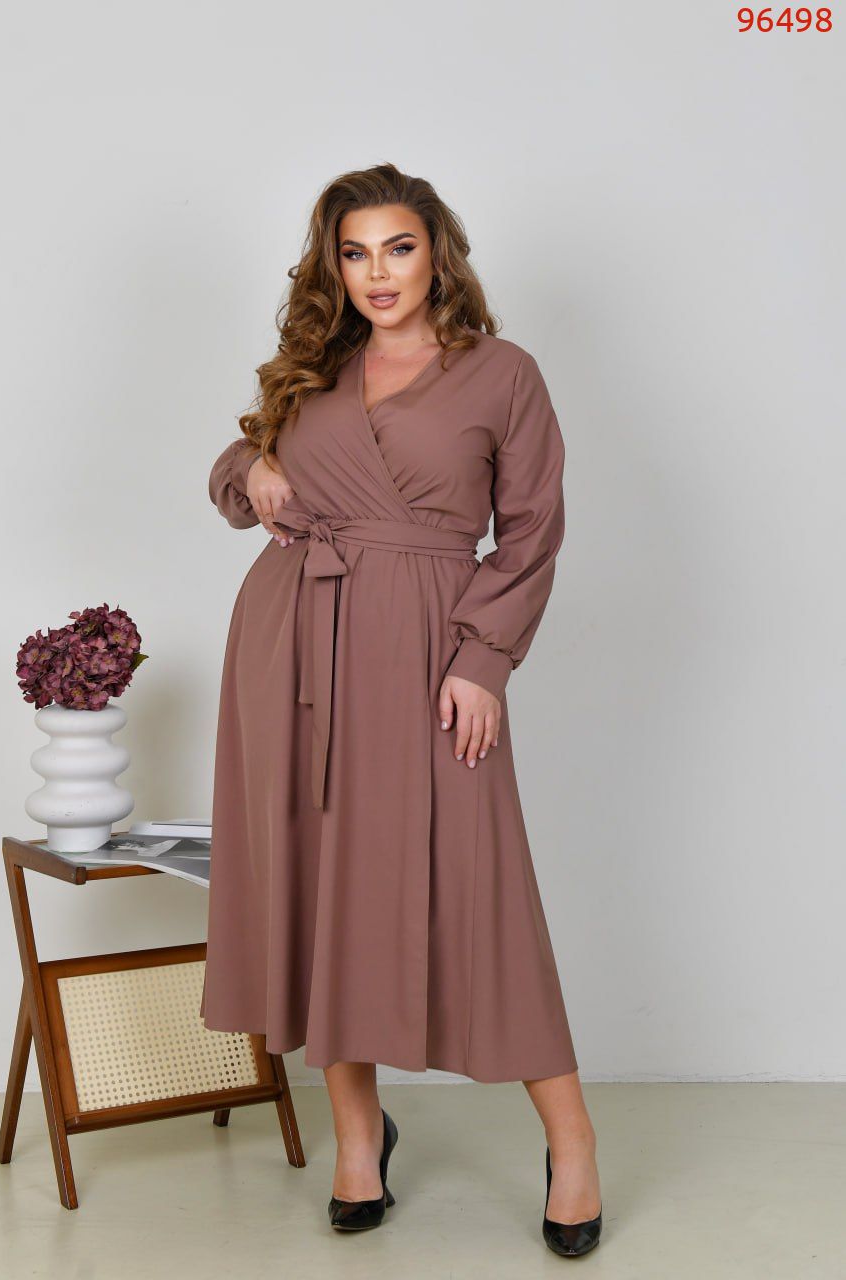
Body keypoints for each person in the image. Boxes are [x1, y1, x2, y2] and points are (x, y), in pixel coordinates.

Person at [200, 162, 603, 1256]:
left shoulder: (501, 373)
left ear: (438, 255)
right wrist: (255, 464)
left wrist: (483, 661)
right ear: (333, 266)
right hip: (292, 645)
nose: (377, 272)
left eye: (399, 247)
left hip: (430, 647)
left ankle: (571, 1142)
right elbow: (236, 475)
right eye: (354, 252)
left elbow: (532, 530)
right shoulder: (318, 367)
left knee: (481, 889)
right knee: (317, 879)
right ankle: (356, 1138)